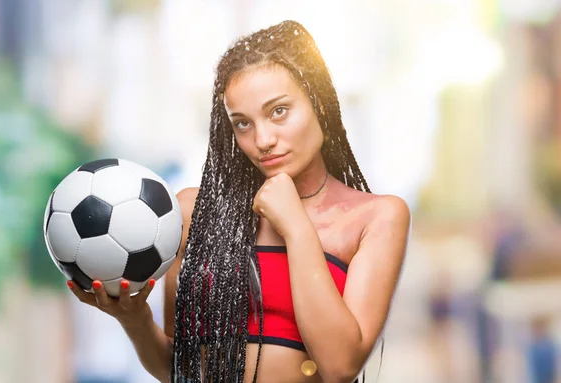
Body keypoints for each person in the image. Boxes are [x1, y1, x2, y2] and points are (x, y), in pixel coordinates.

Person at [67, 20, 410, 383]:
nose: (262, 140)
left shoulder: (376, 217)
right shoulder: (193, 214)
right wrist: (134, 320)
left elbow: (339, 365)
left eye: (279, 111)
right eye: (242, 123)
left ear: (319, 103)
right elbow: (182, 371)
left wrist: (295, 225)